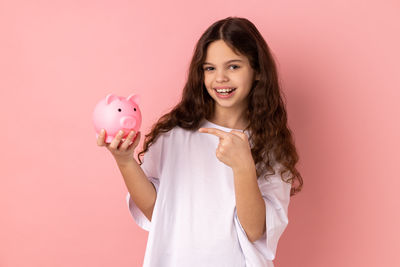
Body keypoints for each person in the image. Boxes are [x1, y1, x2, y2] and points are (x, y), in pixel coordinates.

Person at [97, 16, 303, 267]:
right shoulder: (174, 134)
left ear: (257, 71)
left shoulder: (270, 145)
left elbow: (255, 232)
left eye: (234, 67)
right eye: (210, 68)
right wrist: (125, 160)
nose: (220, 78)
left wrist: (243, 167)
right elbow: (156, 211)